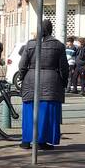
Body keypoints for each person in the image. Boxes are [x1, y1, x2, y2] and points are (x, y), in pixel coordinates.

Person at [18, 19, 69, 150]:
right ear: (51, 29)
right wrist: (64, 81)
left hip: (31, 80)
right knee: (47, 113)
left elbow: (22, 65)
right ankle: (42, 141)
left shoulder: (30, 44)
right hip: (51, 82)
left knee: (30, 112)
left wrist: (23, 78)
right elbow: (64, 67)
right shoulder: (58, 45)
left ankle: (26, 140)